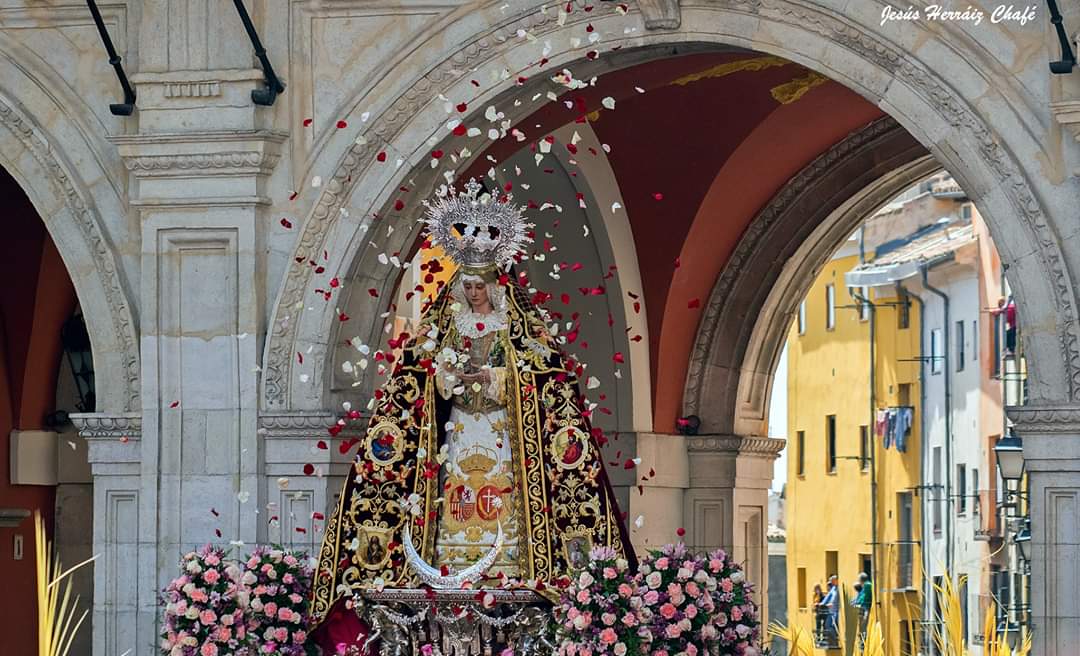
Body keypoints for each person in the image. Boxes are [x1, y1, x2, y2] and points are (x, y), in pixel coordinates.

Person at [308, 180, 634, 652]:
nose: (475, 293)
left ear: (496, 285)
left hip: (503, 430)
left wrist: (498, 379)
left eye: (481, 286)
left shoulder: (516, 326)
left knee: (502, 483)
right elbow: (420, 379)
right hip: (459, 428)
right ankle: (446, 560)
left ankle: (515, 562)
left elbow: (544, 376)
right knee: (455, 483)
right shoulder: (445, 324)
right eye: (469, 286)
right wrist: (448, 377)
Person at [818, 575, 840, 646]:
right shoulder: (833, 588)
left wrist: (831, 604)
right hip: (831, 612)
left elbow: (837, 600)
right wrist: (822, 603)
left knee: (834, 626)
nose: (831, 583)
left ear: (836, 580)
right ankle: (832, 641)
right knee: (827, 625)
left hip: (836, 611)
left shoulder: (838, 588)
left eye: (832, 581)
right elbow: (828, 597)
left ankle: (834, 642)